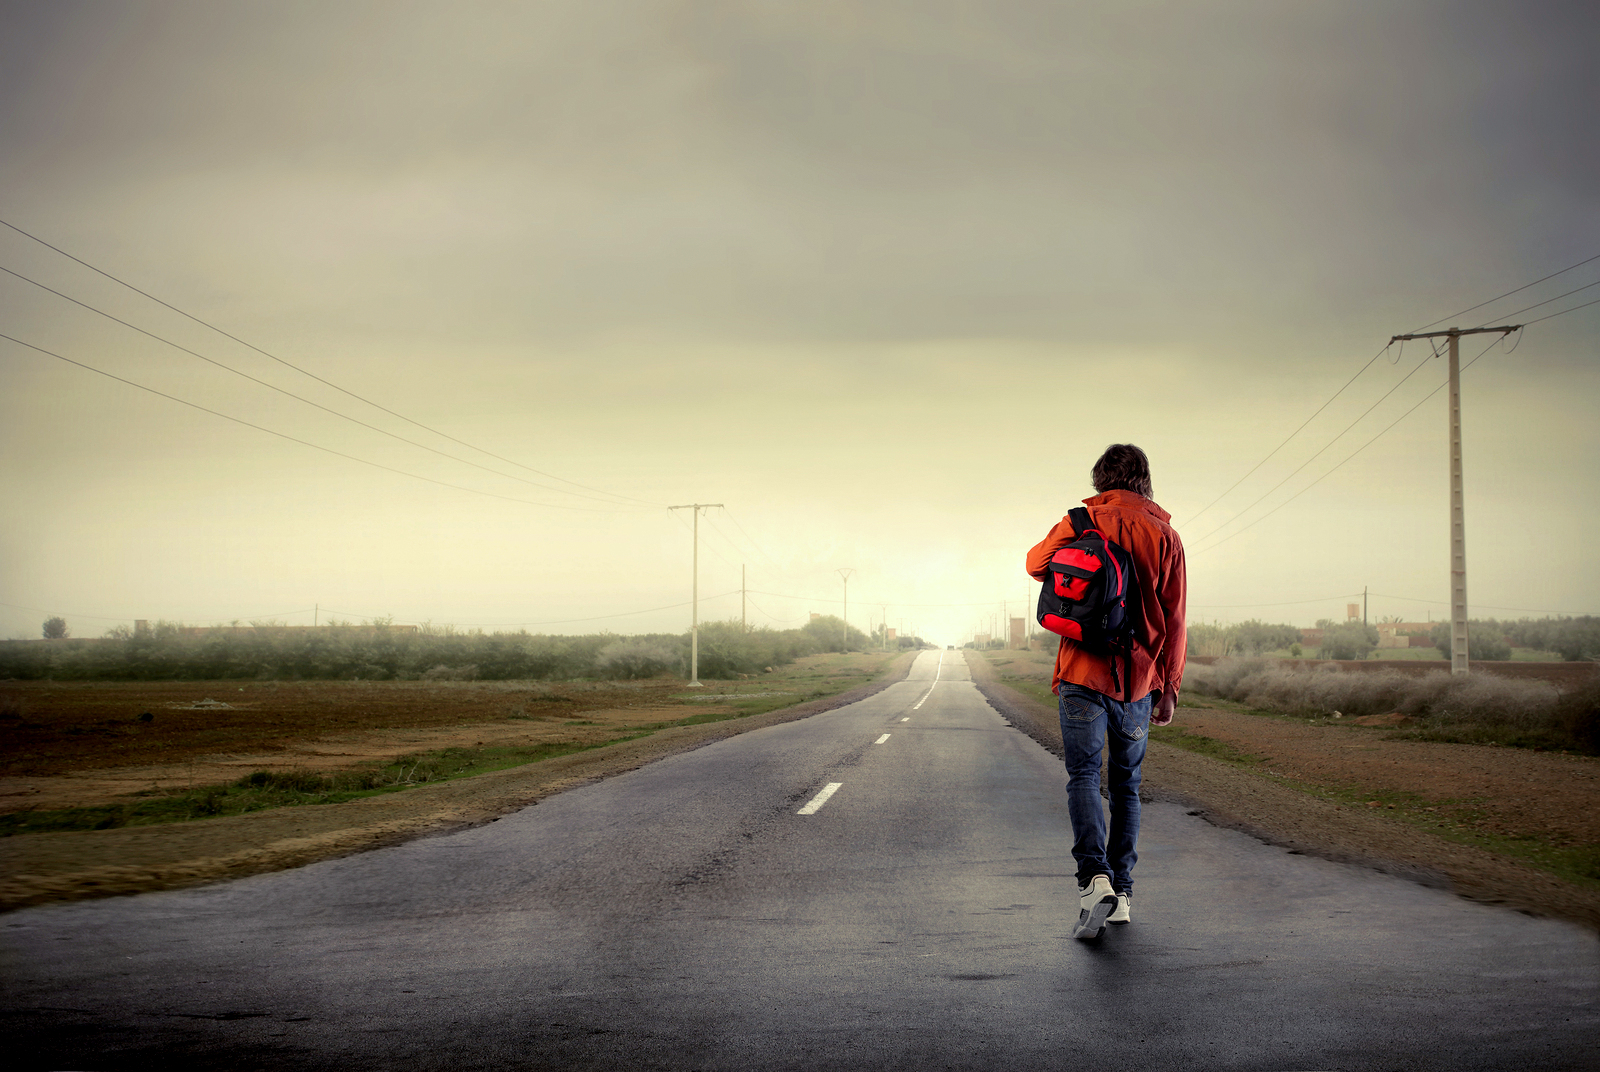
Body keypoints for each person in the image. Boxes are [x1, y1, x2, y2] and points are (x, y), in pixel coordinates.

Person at [1025, 443, 1186, 940]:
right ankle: (1124, 895)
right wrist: (1169, 687)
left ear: (1100, 480)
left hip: (1080, 671)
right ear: (1144, 480)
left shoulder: (1079, 522)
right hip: (1137, 680)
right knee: (1126, 787)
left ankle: (1092, 879)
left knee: (1081, 777)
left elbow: (1035, 565)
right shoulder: (1167, 535)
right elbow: (1175, 619)